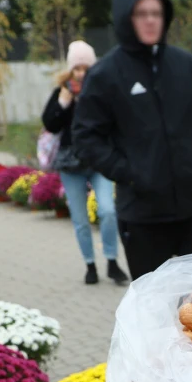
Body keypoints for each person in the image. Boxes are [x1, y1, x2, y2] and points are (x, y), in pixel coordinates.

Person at [72, 0, 192, 280]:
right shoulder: (105, 75)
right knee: (154, 303)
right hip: (143, 216)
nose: (151, 20)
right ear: (125, 18)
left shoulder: (188, 65)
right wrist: (131, 172)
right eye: (141, 14)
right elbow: (86, 138)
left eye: (156, 13)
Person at [41, 40, 128, 286]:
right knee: (80, 220)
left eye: (85, 68)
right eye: (76, 68)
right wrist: (63, 103)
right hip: (70, 166)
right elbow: (50, 124)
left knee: (108, 211)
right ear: (70, 70)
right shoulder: (62, 92)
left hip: (99, 162)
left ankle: (112, 261)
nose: (80, 73)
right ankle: (90, 265)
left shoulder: (102, 91)